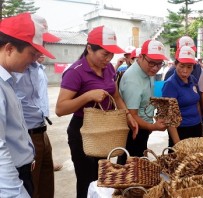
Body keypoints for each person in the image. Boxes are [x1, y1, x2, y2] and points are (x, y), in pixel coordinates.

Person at [55, 26, 138, 198]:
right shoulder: (75, 72)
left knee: (103, 180)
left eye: (111, 54)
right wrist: (87, 96)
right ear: (89, 48)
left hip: (103, 130)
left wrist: (129, 116)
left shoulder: (109, 68)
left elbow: (116, 95)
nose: (108, 58)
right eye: (104, 54)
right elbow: (60, 109)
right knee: (87, 181)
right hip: (82, 132)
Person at [0, 12, 54, 197]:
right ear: (9, 48)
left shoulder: (8, 80)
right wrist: (17, 193)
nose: (34, 60)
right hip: (12, 177)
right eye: (32, 54)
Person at [118, 39, 168, 163]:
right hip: (133, 131)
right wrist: (153, 126)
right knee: (130, 167)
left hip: (144, 127)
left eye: (159, 64)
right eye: (152, 63)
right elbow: (132, 116)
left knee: (138, 164)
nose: (155, 68)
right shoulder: (133, 80)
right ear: (140, 57)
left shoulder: (147, 71)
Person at [162, 46, 202, 147]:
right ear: (176, 64)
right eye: (182, 66)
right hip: (180, 131)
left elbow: (197, 102)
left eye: (189, 67)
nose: (185, 71)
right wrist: (178, 144)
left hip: (196, 127)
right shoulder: (170, 84)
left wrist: (200, 122)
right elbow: (168, 116)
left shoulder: (192, 79)